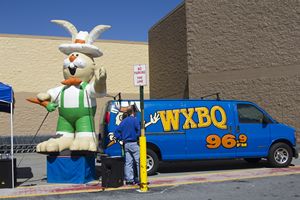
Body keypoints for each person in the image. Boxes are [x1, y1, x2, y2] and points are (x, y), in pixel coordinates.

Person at [109, 106, 141, 185]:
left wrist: (121, 138)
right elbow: (139, 131)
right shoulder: (135, 120)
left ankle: (129, 180)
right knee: (138, 161)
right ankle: (141, 178)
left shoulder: (124, 121)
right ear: (133, 112)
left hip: (126, 144)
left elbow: (116, 132)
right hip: (134, 143)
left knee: (128, 162)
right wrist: (136, 136)